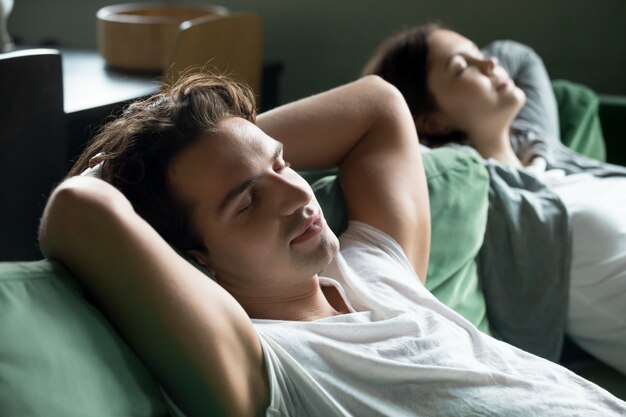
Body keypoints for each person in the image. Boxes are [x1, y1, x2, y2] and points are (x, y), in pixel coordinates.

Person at [40, 73, 626, 417]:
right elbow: (78, 210)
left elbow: (378, 102)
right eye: (246, 203)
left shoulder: (374, 266)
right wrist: (134, 184)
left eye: (283, 163)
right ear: (197, 261)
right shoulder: (270, 364)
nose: (296, 195)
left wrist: (227, 148)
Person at [362, 24, 626, 375]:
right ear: (432, 121)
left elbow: (516, 54)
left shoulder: (539, 144)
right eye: (461, 68)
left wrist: (466, 60)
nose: (489, 64)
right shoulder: (481, 187)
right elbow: (379, 117)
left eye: (480, 54)